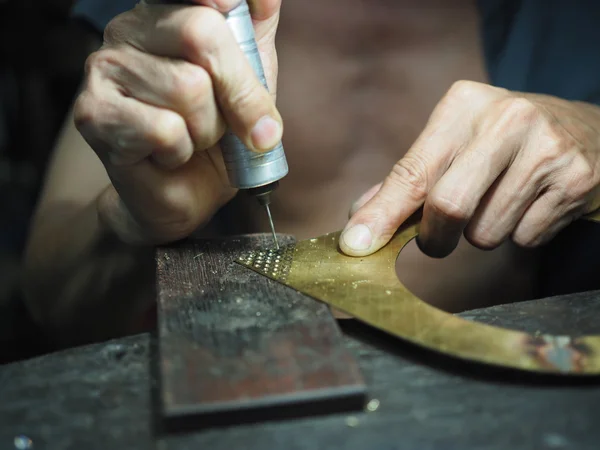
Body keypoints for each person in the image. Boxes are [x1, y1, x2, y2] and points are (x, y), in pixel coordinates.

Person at [21, 0, 600, 348]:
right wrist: (134, 222)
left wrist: (594, 135)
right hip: (255, 386)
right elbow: (54, 302)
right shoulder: (174, 12)